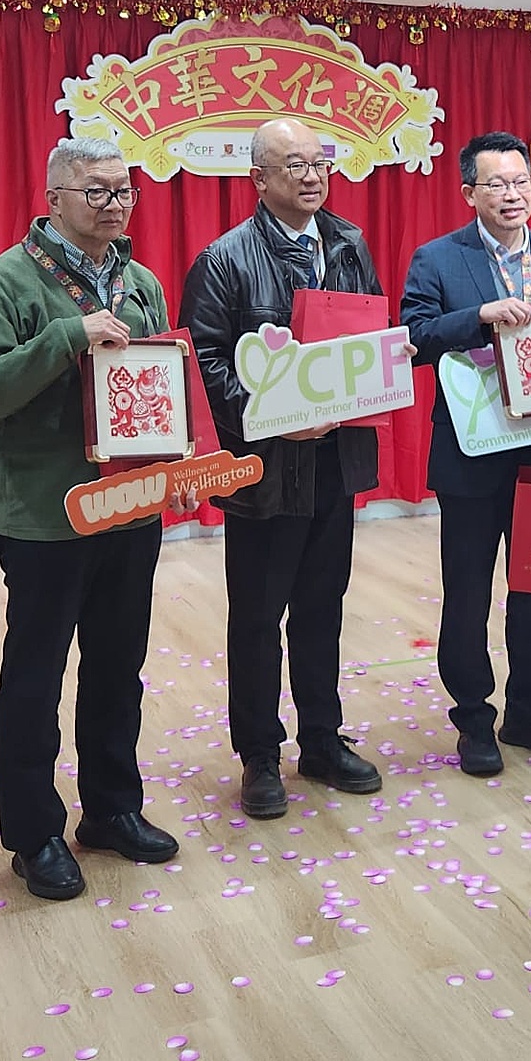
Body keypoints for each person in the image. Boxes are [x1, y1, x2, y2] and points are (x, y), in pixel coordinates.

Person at [0, 137, 181, 901]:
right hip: (44, 518)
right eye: (98, 192)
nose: (116, 205)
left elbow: (161, 389)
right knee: (35, 677)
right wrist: (64, 338)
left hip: (131, 509)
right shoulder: (6, 280)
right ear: (54, 199)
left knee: (118, 670)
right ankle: (34, 835)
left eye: (125, 191)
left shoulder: (141, 281)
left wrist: (177, 467)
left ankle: (112, 810)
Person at [181, 117, 388, 821]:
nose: (311, 175)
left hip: (335, 458)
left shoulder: (348, 243)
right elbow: (204, 364)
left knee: (323, 607)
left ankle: (322, 741)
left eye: (319, 162)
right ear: (258, 179)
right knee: (258, 615)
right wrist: (273, 415)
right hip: (265, 468)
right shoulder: (225, 260)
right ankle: (260, 754)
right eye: (293, 164)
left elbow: (372, 336)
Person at [401, 131, 531, 776]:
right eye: (497, 184)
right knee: (468, 591)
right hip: (473, 452)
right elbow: (414, 337)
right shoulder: (438, 259)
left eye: (521, 182)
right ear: (469, 193)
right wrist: (479, 315)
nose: (512, 194)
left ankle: (530, 710)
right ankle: (474, 719)